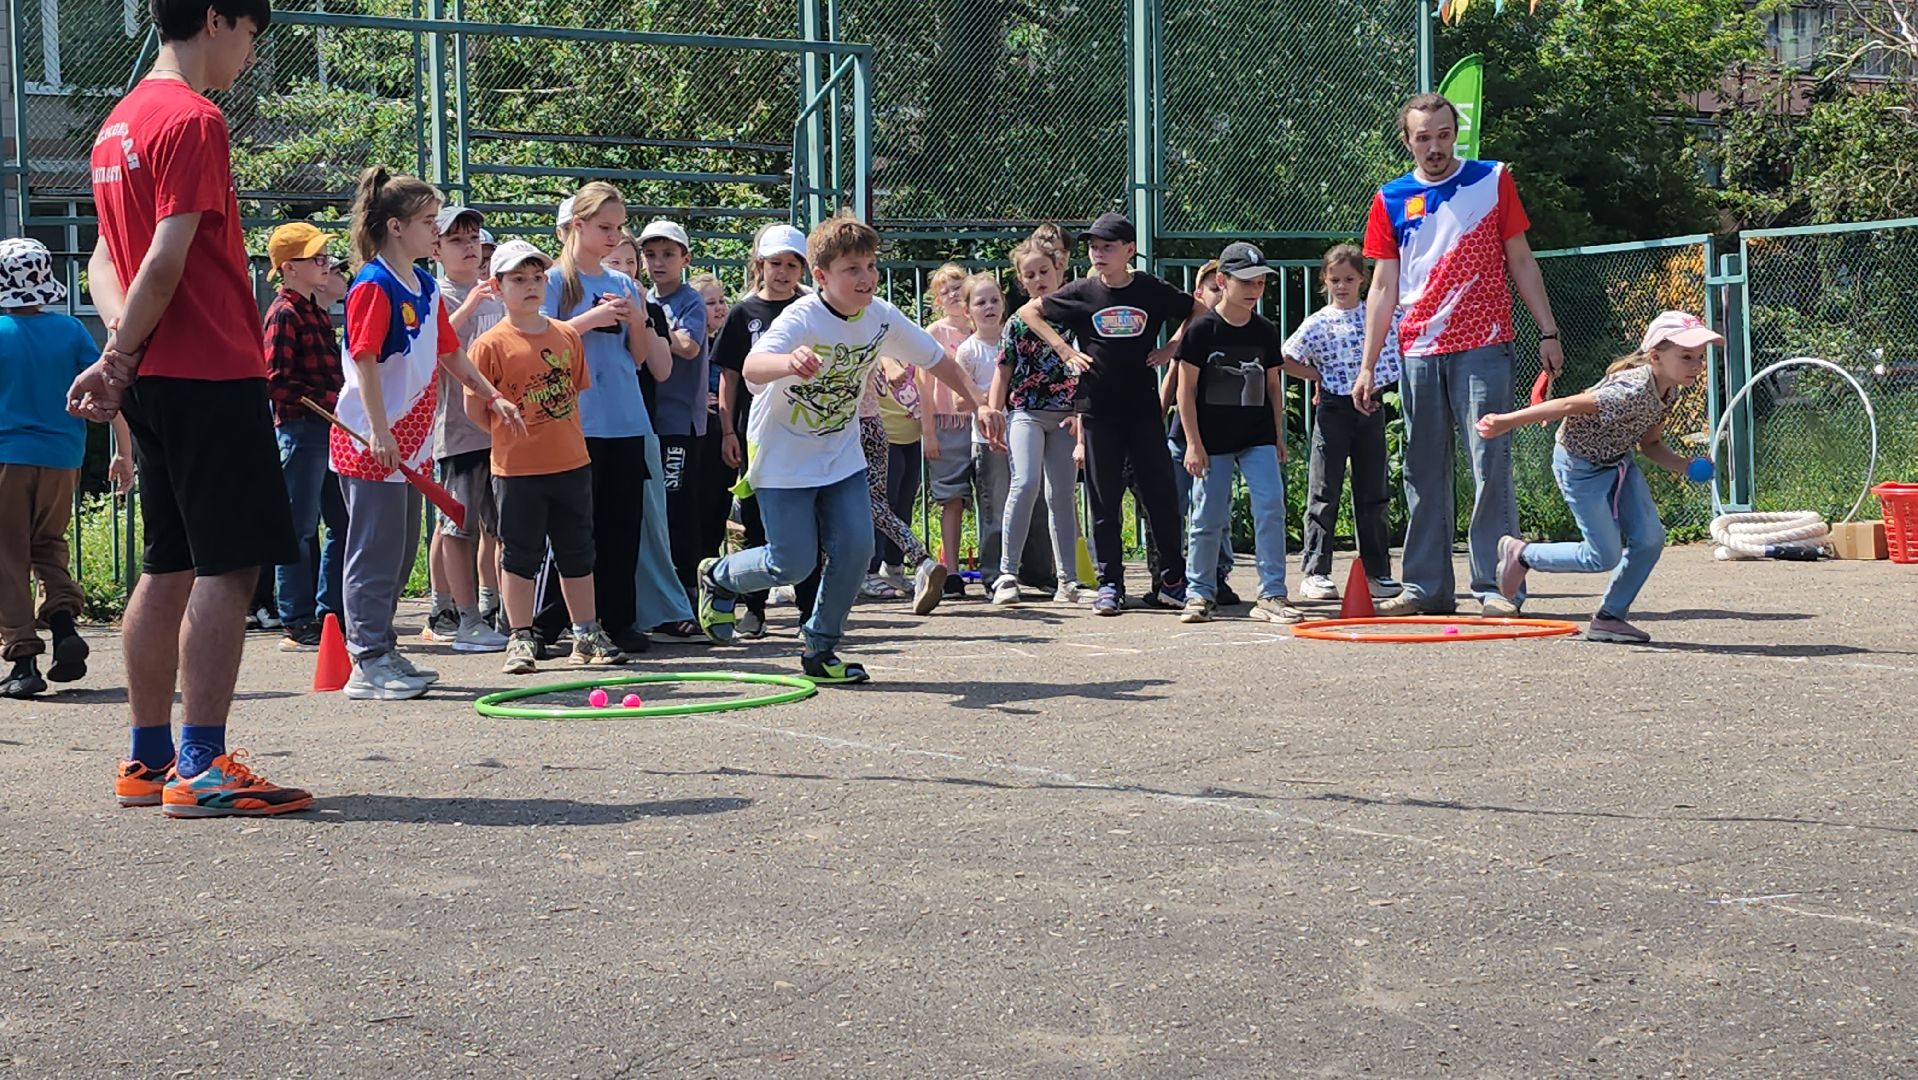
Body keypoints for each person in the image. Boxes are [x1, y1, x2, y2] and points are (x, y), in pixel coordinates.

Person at [73, 0, 312, 815]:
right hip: (208, 366)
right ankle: (202, 764)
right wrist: (120, 353)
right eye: (250, 36)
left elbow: (106, 257)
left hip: (155, 377)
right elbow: (167, 258)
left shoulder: (118, 124)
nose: (248, 54)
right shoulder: (195, 119)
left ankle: (147, 760)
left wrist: (121, 351)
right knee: (229, 564)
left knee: (167, 561)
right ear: (216, 19)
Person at [695, 212, 1005, 684]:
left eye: (870, 266)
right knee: (791, 560)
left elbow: (937, 359)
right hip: (782, 454)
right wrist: (788, 361)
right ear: (821, 276)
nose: (866, 278)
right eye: (852, 269)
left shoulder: (879, 316)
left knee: (857, 550)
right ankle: (719, 576)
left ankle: (819, 647)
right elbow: (753, 366)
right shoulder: (801, 316)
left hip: (840, 454)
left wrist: (981, 403)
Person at [1355, 92, 1563, 617]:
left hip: (1485, 343)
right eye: (1423, 138)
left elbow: (1521, 258)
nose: (1434, 147)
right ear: (1407, 141)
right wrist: (1367, 364)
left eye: (1443, 135)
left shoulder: (1492, 179)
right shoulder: (1391, 198)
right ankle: (1425, 587)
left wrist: (1548, 330)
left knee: (1490, 464)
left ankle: (1496, 586)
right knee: (1421, 469)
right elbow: (1382, 286)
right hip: (1418, 349)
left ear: (1456, 134)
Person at [334, 167, 523, 701]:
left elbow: (450, 352)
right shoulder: (373, 284)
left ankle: (382, 647)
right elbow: (364, 361)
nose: (436, 233)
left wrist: (492, 394)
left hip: (410, 443)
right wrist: (377, 430)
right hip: (373, 440)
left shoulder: (419, 284)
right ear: (395, 227)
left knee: (396, 556)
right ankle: (366, 660)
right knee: (373, 552)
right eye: (427, 222)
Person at [1479, 311, 1716, 643]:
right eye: (1687, 356)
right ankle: (1522, 554)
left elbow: (1650, 444)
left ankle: (1609, 618)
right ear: (1656, 357)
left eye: (1700, 357)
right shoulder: (1629, 389)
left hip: (1618, 462)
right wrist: (1505, 422)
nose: (1697, 365)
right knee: (1602, 556)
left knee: (1649, 540)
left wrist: (1685, 465)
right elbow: (1565, 406)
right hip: (1580, 467)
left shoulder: (1670, 391)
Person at [1015, 212, 1204, 616]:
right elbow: (1029, 313)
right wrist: (1065, 351)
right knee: (1103, 498)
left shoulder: (1151, 290)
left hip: (1142, 407)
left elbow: (1200, 309)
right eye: (1093, 247)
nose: (1098, 254)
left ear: (1129, 250)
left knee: (1160, 494)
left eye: (1108, 247)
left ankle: (1172, 580)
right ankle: (1110, 584)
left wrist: (1172, 348)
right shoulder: (1083, 292)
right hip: (1098, 408)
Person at [463, 240, 622, 672]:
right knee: (519, 555)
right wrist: (513, 435)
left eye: (537, 277)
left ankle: (586, 632)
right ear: (497, 287)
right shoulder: (489, 346)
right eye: (518, 279)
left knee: (578, 551)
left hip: (571, 462)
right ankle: (520, 636)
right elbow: (476, 410)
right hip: (516, 470)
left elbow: (573, 391)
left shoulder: (567, 334)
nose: (530, 286)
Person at [541, 186, 673, 655]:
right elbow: (538, 341)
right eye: (604, 228)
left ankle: (620, 619)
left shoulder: (622, 284)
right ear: (576, 225)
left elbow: (640, 357)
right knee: (579, 528)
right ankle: (552, 621)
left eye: (618, 229)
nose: (613, 237)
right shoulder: (556, 281)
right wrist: (590, 319)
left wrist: (637, 321)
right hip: (579, 420)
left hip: (626, 418)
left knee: (624, 526)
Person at [0, 238, 132, 698]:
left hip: (7, 459)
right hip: (63, 459)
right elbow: (107, 391)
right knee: (47, 545)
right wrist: (124, 451)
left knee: (7, 555)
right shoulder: (72, 330)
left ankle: (22, 659)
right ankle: (62, 625)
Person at [1174, 243, 1320, 624]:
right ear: (1222, 282)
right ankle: (1199, 594)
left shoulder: (1265, 330)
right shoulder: (1202, 329)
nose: (1255, 289)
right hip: (1211, 440)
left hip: (1257, 437)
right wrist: (1193, 443)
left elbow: (1273, 384)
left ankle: (1272, 593)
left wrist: (1278, 435)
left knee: (1271, 506)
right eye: (1247, 282)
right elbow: (1184, 390)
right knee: (1208, 516)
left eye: (1260, 282)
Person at [1287, 244, 1404, 602]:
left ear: (1362, 280)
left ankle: (1377, 571)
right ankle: (1316, 571)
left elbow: (1402, 342)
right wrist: (1317, 376)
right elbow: (1286, 357)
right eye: (1335, 279)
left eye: (1349, 279)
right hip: (1334, 409)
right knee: (1324, 490)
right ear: (1324, 280)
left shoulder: (1378, 314)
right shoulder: (1318, 321)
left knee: (1373, 492)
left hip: (1370, 406)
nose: (1342, 286)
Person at [711, 223, 809, 638]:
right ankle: (754, 608)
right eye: (775, 263)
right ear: (760, 265)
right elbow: (729, 377)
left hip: (804, 428)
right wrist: (727, 431)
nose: (782, 272)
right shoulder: (743, 313)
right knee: (753, 517)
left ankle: (810, 612)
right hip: (756, 432)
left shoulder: (811, 310)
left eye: (791, 264)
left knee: (809, 519)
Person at [598, 228, 694, 643]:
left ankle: (663, 609)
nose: (624, 271)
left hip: (639, 429)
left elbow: (661, 368)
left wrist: (640, 318)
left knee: (648, 523)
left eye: (629, 263)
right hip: (587, 429)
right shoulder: (574, 302)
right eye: (613, 263)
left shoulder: (649, 308)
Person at [421, 204, 508, 652]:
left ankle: (501, 612)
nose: (469, 247)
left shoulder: (498, 291)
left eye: (473, 239)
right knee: (458, 527)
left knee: (500, 528)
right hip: (456, 432)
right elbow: (431, 351)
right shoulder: (435, 295)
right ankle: (463, 615)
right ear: (434, 248)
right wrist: (471, 303)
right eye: (456, 240)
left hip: (501, 431)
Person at [989, 224, 1085, 607]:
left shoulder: (1077, 316)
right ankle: (1007, 575)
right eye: (1029, 275)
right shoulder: (1016, 323)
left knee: (1061, 494)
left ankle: (1069, 581)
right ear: (1021, 280)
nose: (1037, 280)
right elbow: (1003, 370)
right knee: (1025, 482)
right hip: (1026, 413)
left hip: (1065, 416)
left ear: (1060, 269)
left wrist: (1082, 414)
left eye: (1044, 271)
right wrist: (993, 413)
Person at [260, 221, 345, 650]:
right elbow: (275, 378)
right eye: (316, 258)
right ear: (289, 268)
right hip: (302, 428)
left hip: (327, 428)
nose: (325, 262)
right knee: (299, 527)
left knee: (341, 521)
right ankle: (296, 617)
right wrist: (328, 397)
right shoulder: (285, 312)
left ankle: (331, 611)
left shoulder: (314, 308)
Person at [637, 220, 711, 606]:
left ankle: (689, 590)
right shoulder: (645, 296)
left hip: (679, 422)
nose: (658, 263)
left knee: (678, 505)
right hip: (646, 419)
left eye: (667, 254)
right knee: (656, 508)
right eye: (650, 255)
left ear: (685, 258)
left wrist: (652, 322)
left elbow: (688, 345)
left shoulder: (689, 301)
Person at [1161, 259, 1237, 605]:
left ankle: (1218, 574)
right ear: (1199, 293)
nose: (1220, 292)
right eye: (1214, 287)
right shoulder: (1193, 332)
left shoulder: (1238, 330)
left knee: (1216, 510)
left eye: (1223, 285)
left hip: (1220, 438)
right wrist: (1156, 417)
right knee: (1176, 506)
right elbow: (1173, 378)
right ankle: (1178, 576)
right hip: (1183, 437)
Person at [951, 273, 1011, 593]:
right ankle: (992, 575)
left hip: (1022, 434)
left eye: (994, 300)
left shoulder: (1012, 340)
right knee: (994, 508)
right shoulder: (968, 351)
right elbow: (960, 402)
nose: (989, 307)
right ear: (967, 310)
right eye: (980, 302)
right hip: (987, 441)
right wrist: (989, 396)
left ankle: (1029, 570)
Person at [691, 271, 735, 567]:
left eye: (721, 301)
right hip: (700, 435)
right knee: (699, 505)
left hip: (723, 431)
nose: (720, 308)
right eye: (710, 303)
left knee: (720, 504)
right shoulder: (693, 343)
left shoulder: (725, 341)